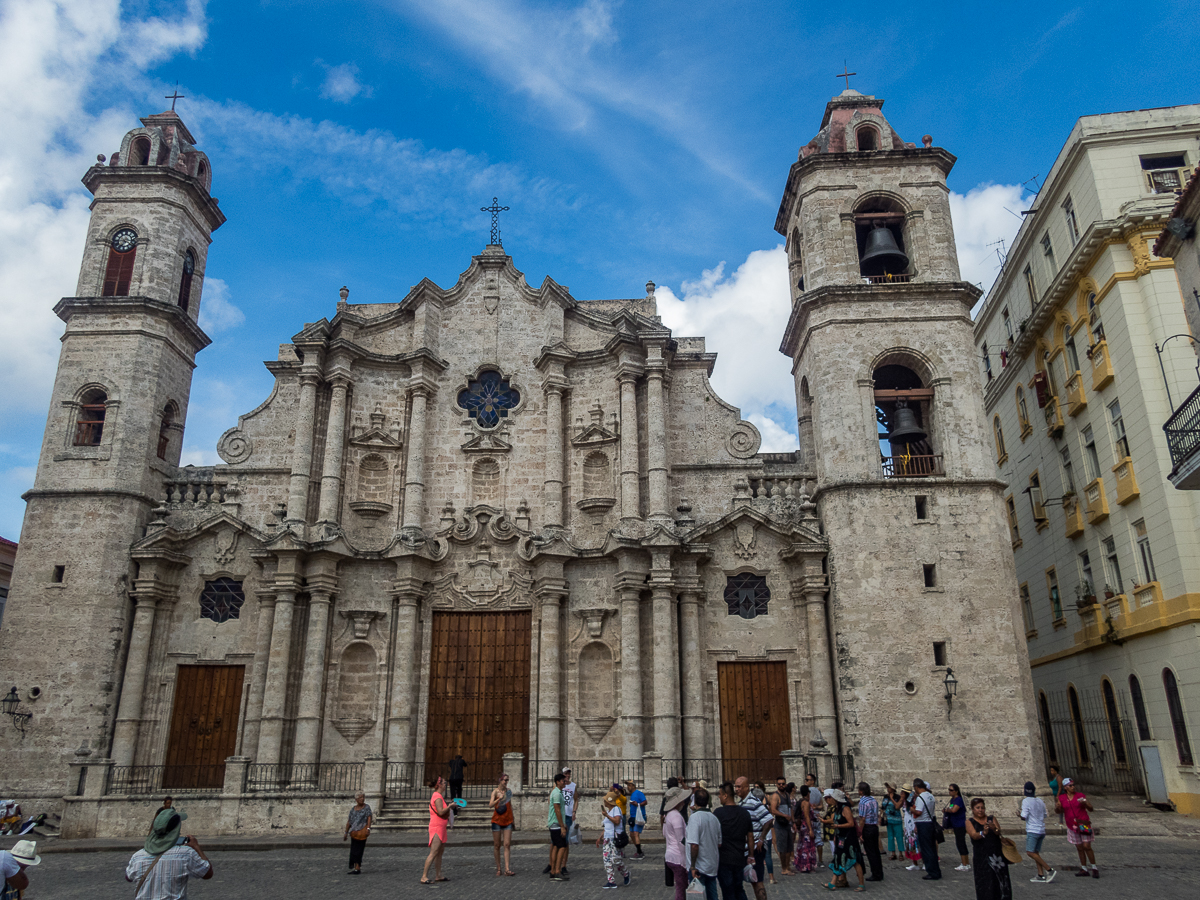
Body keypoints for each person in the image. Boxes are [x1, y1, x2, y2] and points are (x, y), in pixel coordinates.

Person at [125, 809, 213, 900]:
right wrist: (196, 847)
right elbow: (207, 873)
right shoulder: (186, 854)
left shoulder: (137, 856)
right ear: (176, 830)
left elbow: (128, 877)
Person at [965, 797, 1012, 900]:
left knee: (1000, 881)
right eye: (977, 808)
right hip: (982, 858)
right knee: (985, 882)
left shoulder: (991, 818)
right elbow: (974, 835)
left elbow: (998, 832)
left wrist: (994, 828)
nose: (980, 810)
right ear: (972, 809)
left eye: (982, 807)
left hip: (996, 856)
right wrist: (983, 833)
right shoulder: (970, 822)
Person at [714, 782, 754, 900]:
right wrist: (751, 855)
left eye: (720, 794)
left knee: (728, 890)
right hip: (739, 857)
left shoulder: (718, 813)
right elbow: (750, 836)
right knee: (738, 888)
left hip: (724, 859)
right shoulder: (744, 813)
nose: (719, 797)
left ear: (725, 795)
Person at [734, 776, 772, 900]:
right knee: (752, 880)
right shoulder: (741, 803)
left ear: (746, 787)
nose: (736, 789)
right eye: (735, 786)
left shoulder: (753, 802)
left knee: (757, 880)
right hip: (746, 848)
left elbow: (768, 820)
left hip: (756, 848)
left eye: (739, 787)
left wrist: (761, 839)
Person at [823, 789, 865, 892]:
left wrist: (837, 826)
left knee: (854, 860)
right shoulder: (837, 809)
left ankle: (861, 884)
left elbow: (851, 823)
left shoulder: (845, 808)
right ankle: (832, 883)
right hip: (840, 838)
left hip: (849, 839)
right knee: (838, 858)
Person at [1056, 778, 1098, 878]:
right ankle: (1084, 868)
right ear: (1065, 787)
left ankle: (1094, 867)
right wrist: (1057, 807)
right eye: (1070, 785)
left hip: (1083, 824)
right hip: (1072, 826)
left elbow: (1091, 809)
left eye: (1073, 785)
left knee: (1087, 846)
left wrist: (1086, 803)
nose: (1073, 787)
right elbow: (1059, 811)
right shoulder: (1061, 798)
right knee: (1079, 847)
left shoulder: (1080, 796)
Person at [687, 788, 722, 900]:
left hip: (699, 867)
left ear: (695, 801)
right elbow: (719, 843)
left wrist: (692, 866)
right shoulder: (714, 818)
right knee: (713, 895)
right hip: (711, 865)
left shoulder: (694, 818)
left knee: (697, 896)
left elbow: (694, 845)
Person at [1019, 781, 1054, 883]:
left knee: (1030, 852)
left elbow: (1024, 816)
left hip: (1032, 830)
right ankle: (1040, 874)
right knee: (1036, 853)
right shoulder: (1040, 801)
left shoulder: (1026, 801)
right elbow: (1045, 815)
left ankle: (1049, 870)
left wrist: (1018, 814)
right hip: (1041, 830)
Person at [596, 790, 631, 888]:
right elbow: (606, 827)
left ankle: (626, 873)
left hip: (615, 838)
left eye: (606, 800)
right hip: (607, 838)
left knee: (616, 859)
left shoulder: (616, 809)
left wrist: (606, 816)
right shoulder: (608, 811)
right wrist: (600, 838)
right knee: (607, 860)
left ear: (609, 801)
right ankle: (611, 881)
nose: (604, 802)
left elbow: (616, 821)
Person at [663, 786, 693, 900]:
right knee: (682, 889)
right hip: (678, 858)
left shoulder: (668, 815)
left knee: (680, 888)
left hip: (670, 855)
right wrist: (685, 862)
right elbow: (681, 840)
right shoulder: (676, 816)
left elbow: (665, 834)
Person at [908, 779, 940, 880]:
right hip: (930, 822)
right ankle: (936, 870)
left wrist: (911, 809)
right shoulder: (930, 796)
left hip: (923, 824)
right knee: (932, 848)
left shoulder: (921, 797)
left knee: (926, 849)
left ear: (916, 787)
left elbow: (918, 812)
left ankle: (931, 871)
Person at [421, 776, 451, 884]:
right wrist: (450, 806)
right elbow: (441, 812)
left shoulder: (439, 796)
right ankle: (424, 876)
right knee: (433, 852)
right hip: (437, 827)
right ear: (439, 785)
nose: (445, 784)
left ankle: (438, 875)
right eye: (443, 782)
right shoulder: (437, 797)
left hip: (441, 827)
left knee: (439, 852)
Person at [489, 772, 516, 876]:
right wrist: (498, 799)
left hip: (508, 820)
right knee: (497, 845)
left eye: (507, 780)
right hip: (497, 820)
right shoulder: (495, 792)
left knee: (507, 844)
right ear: (500, 780)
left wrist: (513, 819)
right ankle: (499, 868)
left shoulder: (509, 792)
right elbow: (490, 805)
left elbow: (510, 805)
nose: (506, 782)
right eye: (505, 780)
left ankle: (507, 869)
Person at [768, 778, 795, 876]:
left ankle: (788, 867)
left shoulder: (787, 795)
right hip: (780, 824)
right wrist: (784, 816)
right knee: (782, 848)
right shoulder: (775, 796)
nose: (781, 785)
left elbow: (790, 808)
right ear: (776, 784)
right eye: (779, 784)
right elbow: (773, 810)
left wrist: (793, 821)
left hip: (788, 824)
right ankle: (784, 868)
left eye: (783, 784)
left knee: (789, 847)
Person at [546, 771, 570, 881]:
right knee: (562, 846)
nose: (565, 783)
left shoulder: (558, 792)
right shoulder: (556, 793)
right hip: (556, 824)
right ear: (558, 782)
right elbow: (557, 810)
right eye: (563, 781)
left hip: (556, 823)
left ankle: (553, 871)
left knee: (556, 846)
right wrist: (562, 826)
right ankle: (557, 871)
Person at [857, 782, 883, 882]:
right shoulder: (873, 800)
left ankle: (875, 873)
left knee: (870, 851)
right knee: (876, 851)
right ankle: (879, 872)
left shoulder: (863, 802)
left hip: (867, 827)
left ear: (861, 791)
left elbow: (862, 819)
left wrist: (860, 831)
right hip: (874, 827)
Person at [343, 790, 373, 875]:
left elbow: (369, 817)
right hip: (354, 832)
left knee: (359, 850)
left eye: (363, 797)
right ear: (356, 799)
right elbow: (349, 821)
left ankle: (357, 868)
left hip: (362, 831)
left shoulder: (366, 807)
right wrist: (346, 832)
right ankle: (356, 867)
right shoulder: (353, 809)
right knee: (353, 851)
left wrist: (368, 828)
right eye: (360, 797)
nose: (362, 799)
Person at [752, 782, 776, 885]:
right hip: (765, 834)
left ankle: (757, 877)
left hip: (760, 835)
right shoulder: (765, 802)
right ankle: (771, 877)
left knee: (761, 857)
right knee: (767, 856)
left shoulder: (754, 806)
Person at [792, 780, 817, 873]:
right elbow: (806, 816)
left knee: (803, 845)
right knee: (807, 846)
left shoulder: (802, 802)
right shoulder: (805, 803)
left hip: (803, 826)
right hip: (806, 826)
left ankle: (802, 864)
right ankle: (806, 865)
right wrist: (810, 829)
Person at [944, 783, 970, 872]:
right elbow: (951, 808)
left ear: (956, 791)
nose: (949, 791)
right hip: (955, 824)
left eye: (951, 790)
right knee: (960, 843)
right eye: (949, 789)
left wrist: (947, 810)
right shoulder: (952, 800)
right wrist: (948, 810)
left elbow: (954, 810)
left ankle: (965, 864)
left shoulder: (958, 800)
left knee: (961, 844)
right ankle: (966, 863)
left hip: (960, 824)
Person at [803, 773, 824, 866]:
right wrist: (816, 807)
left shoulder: (807, 792)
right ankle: (820, 860)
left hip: (810, 817)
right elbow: (821, 806)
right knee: (818, 838)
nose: (806, 781)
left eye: (807, 780)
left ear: (812, 781)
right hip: (817, 816)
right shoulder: (818, 792)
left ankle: (810, 859)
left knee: (808, 839)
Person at [561, 767, 578, 874]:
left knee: (565, 841)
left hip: (568, 815)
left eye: (568, 774)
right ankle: (552, 863)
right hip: (559, 815)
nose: (567, 776)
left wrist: (574, 811)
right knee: (556, 841)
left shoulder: (573, 786)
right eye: (565, 774)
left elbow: (576, 799)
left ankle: (563, 865)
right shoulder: (559, 785)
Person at [626, 779, 647, 859]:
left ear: (633, 786)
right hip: (633, 817)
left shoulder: (639, 793)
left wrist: (637, 804)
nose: (628, 787)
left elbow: (645, 802)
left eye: (629, 785)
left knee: (635, 833)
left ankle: (639, 853)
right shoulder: (632, 795)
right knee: (631, 834)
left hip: (638, 817)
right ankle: (639, 851)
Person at [881, 785, 903, 861]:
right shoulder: (885, 797)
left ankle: (900, 853)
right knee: (890, 837)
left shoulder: (898, 797)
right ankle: (893, 853)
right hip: (888, 819)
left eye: (889, 787)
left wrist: (891, 798)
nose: (888, 788)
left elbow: (897, 807)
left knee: (899, 837)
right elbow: (883, 806)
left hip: (897, 819)